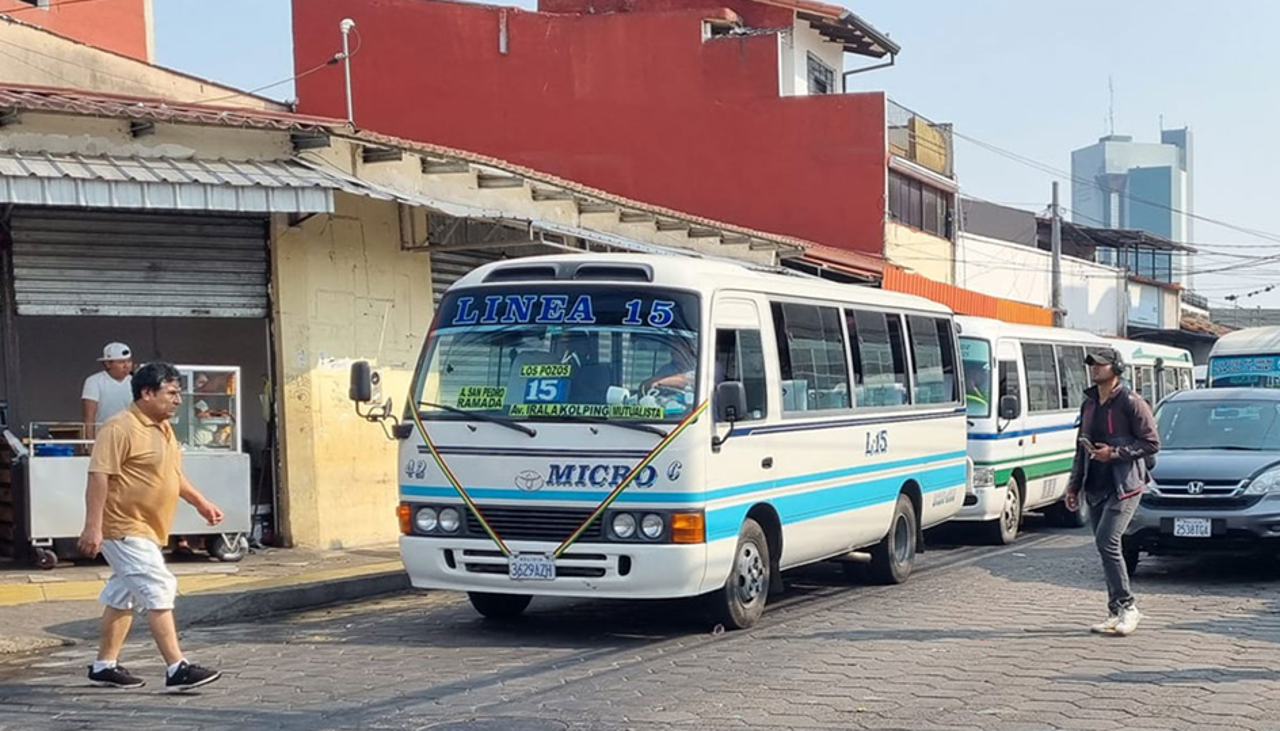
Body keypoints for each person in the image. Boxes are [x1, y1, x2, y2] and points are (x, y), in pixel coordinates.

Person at [77, 362, 226, 690]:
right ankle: (177, 668)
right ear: (147, 393)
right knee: (159, 587)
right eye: (171, 393)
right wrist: (92, 526)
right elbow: (99, 476)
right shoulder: (119, 427)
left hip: (148, 527)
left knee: (123, 595)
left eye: (179, 393)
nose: (177, 400)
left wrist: (200, 502)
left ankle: (104, 666)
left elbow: (172, 475)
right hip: (124, 527)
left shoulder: (164, 429)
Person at [1064, 347, 1160, 637]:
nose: (1094, 368)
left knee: (1108, 541)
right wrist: (1073, 485)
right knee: (1105, 547)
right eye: (1091, 363)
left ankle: (1128, 607)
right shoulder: (1089, 403)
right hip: (1096, 484)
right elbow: (1081, 448)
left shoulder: (1131, 402)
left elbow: (1151, 443)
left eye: (1100, 364)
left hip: (1125, 485)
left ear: (1116, 367)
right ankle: (1114, 610)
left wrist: (1115, 453)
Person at [81, 342, 134, 439]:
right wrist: (90, 443)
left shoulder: (136, 381)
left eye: (129, 361)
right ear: (107, 363)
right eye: (121, 362)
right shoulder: (94, 381)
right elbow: (89, 417)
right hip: (104, 437)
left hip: (131, 438)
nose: (127, 365)